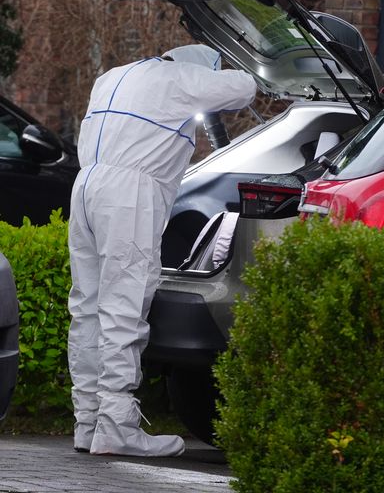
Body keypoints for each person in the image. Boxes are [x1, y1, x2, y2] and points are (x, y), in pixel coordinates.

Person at [67, 44, 257, 456]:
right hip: (130, 194)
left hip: (86, 187)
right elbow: (243, 88)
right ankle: (117, 425)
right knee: (123, 307)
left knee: (87, 308)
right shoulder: (181, 79)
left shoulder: (113, 75)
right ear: (199, 68)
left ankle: (88, 423)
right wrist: (257, 66)